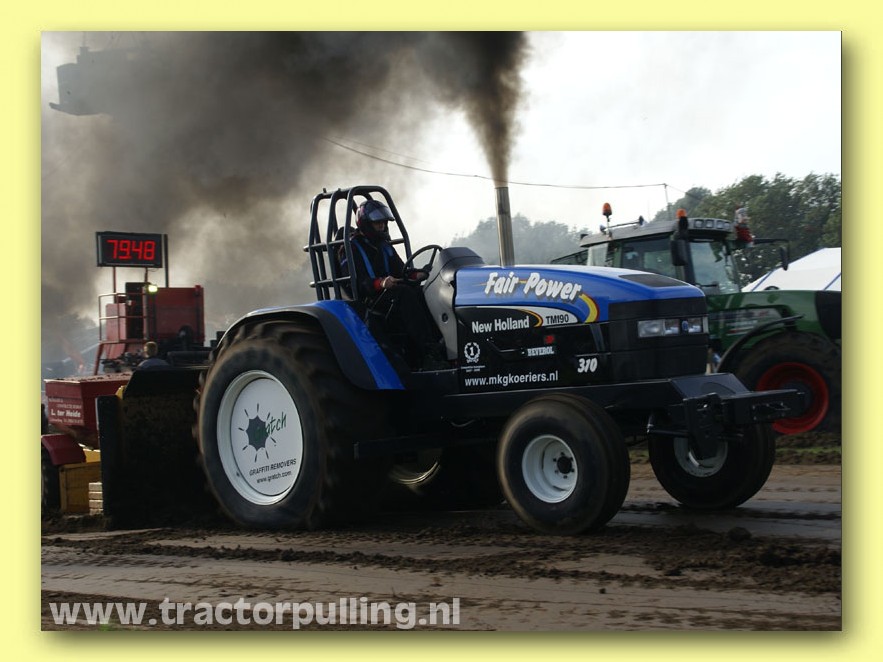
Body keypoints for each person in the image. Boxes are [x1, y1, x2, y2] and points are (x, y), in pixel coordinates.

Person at [341, 200, 442, 370]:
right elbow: (356, 284)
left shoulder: (384, 246)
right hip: (370, 300)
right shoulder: (350, 249)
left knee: (422, 291)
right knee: (405, 294)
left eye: (383, 222)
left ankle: (440, 343)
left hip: (389, 294)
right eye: (377, 223)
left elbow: (402, 271)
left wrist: (419, 274)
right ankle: (429, 352)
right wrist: (380, 283)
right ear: (366, 224)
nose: (382, 226)